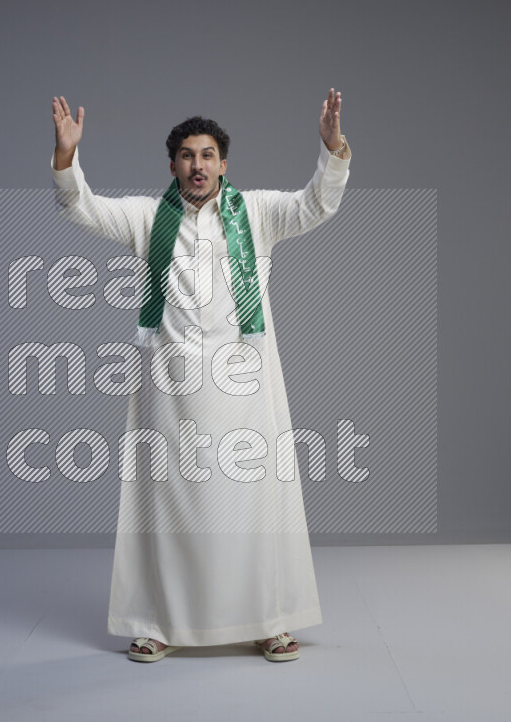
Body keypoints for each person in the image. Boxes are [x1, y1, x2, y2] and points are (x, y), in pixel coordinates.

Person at [50, 91, 352, 662]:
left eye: (208, 155)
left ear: (224, 163)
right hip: (171, 382)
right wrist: (67, 160)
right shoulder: (147, 218)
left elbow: (316, 205)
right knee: (166, 502)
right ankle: (157, 621)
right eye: (187, 156)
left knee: (256, 503)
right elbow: (81, 208)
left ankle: (269, 620)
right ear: (172, 167)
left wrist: (332, 148)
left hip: (245, 380)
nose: (198, 166)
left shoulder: (257, 213)